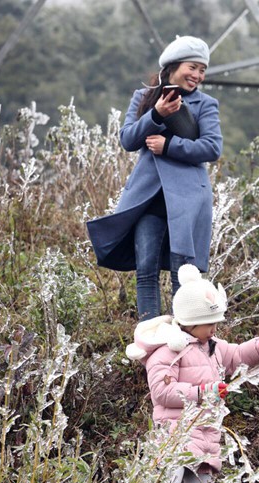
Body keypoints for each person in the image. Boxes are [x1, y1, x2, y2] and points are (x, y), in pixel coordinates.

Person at [125, 264, 259, 483]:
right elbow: (162, 393)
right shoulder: (167, 351)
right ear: (190, 322)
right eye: (209, 324)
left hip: (207, 432)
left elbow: (237, 356)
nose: (214, 329)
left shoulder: (213, 347)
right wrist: (203, 393)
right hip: (176, 432)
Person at [87, 35, 223, 320]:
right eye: (192, 67)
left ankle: (185, 338)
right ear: (173, 66)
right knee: (145, 270)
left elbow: (212, 148)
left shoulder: (205, 104)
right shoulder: (144, 98)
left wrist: (169, 146)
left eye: (202, 70)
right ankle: (151, 339)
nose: (197, 75)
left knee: (183, 275)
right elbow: (127, 139)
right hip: (148, 199)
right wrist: (157, 114)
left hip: (186, 200)